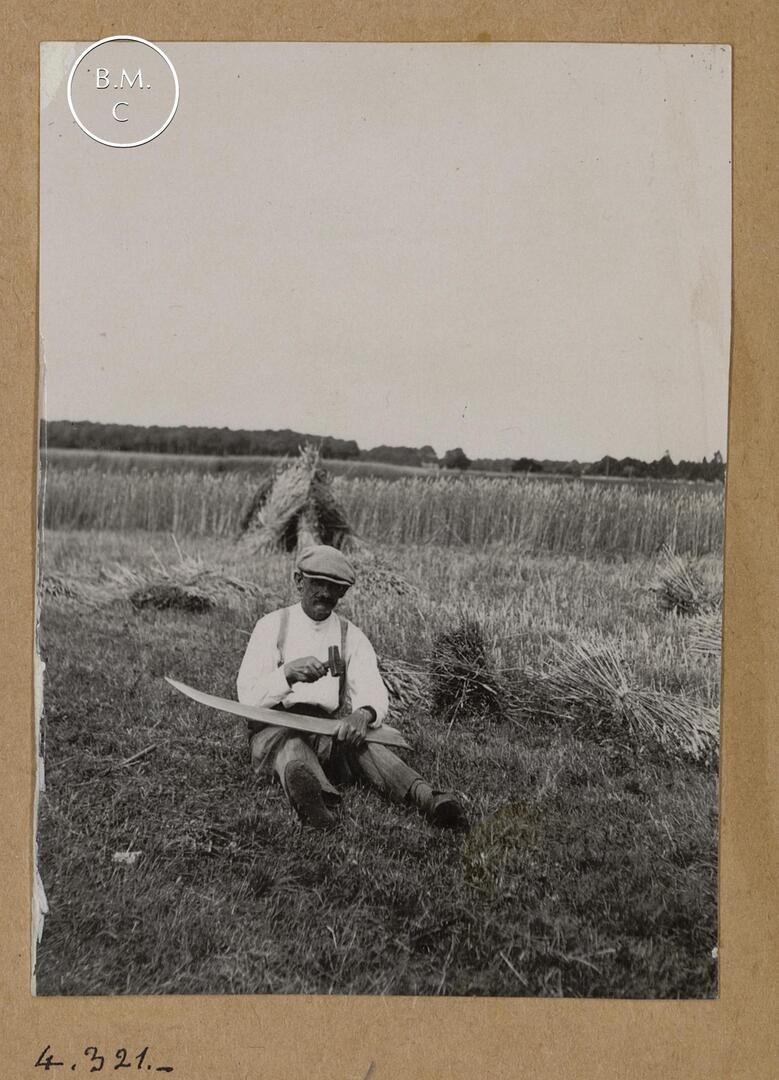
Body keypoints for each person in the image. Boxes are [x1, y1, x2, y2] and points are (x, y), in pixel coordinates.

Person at [237, 544, 467, 830]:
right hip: (275, 727)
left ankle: (428, 798)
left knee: (365, 743)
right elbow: (247, 697)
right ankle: (317, 803)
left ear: (343, 592)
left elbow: (372, 690)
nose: (325, 593)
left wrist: (363, 714)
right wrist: (287, 674)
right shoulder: (271, 626)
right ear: (298, 581)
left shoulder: (351, 636)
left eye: (334, 587)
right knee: (292, 748)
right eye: (317, 583)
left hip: (325, 729)